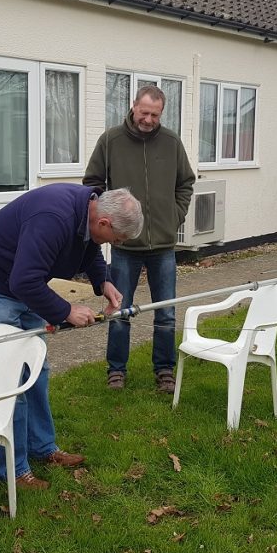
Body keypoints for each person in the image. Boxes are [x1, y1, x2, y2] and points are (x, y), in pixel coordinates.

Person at [0, 184, 143, 490]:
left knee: (36, 369)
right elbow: (23, 280)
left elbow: (90, 250)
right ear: (104, 222)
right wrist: (65, 311)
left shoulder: (90, 211)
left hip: (26, 284)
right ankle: (13, 469)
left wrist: (104, 283)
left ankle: (43, 447)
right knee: (9, 378)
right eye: (117, 239)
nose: (114, 244)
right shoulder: (53, 217)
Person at [83, 85, 195, 393]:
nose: (148, 119)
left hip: (163, 245)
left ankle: (164, 370)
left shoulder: (172, 142)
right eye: (144, 112)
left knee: (167, 310)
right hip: (125, 246)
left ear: (162, 113)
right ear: (134, 106)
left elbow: (186, 183)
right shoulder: (111, 140)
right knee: (120, 308)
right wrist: (109, 219)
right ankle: (116, 370)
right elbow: (91, 184)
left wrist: (175, 216)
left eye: (155, 115)